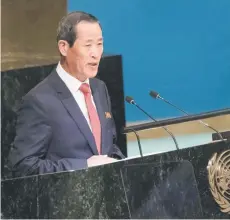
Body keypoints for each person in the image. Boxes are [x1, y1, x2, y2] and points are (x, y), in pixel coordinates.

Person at [8, 11, 125, 177]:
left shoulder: (100, 88)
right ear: (64, 47)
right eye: (88, 45)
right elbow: (23, 166)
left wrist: (122, 163)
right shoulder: (39, 101)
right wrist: (83, 165)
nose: (96, 53)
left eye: (99, 44)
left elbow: (109, 146)